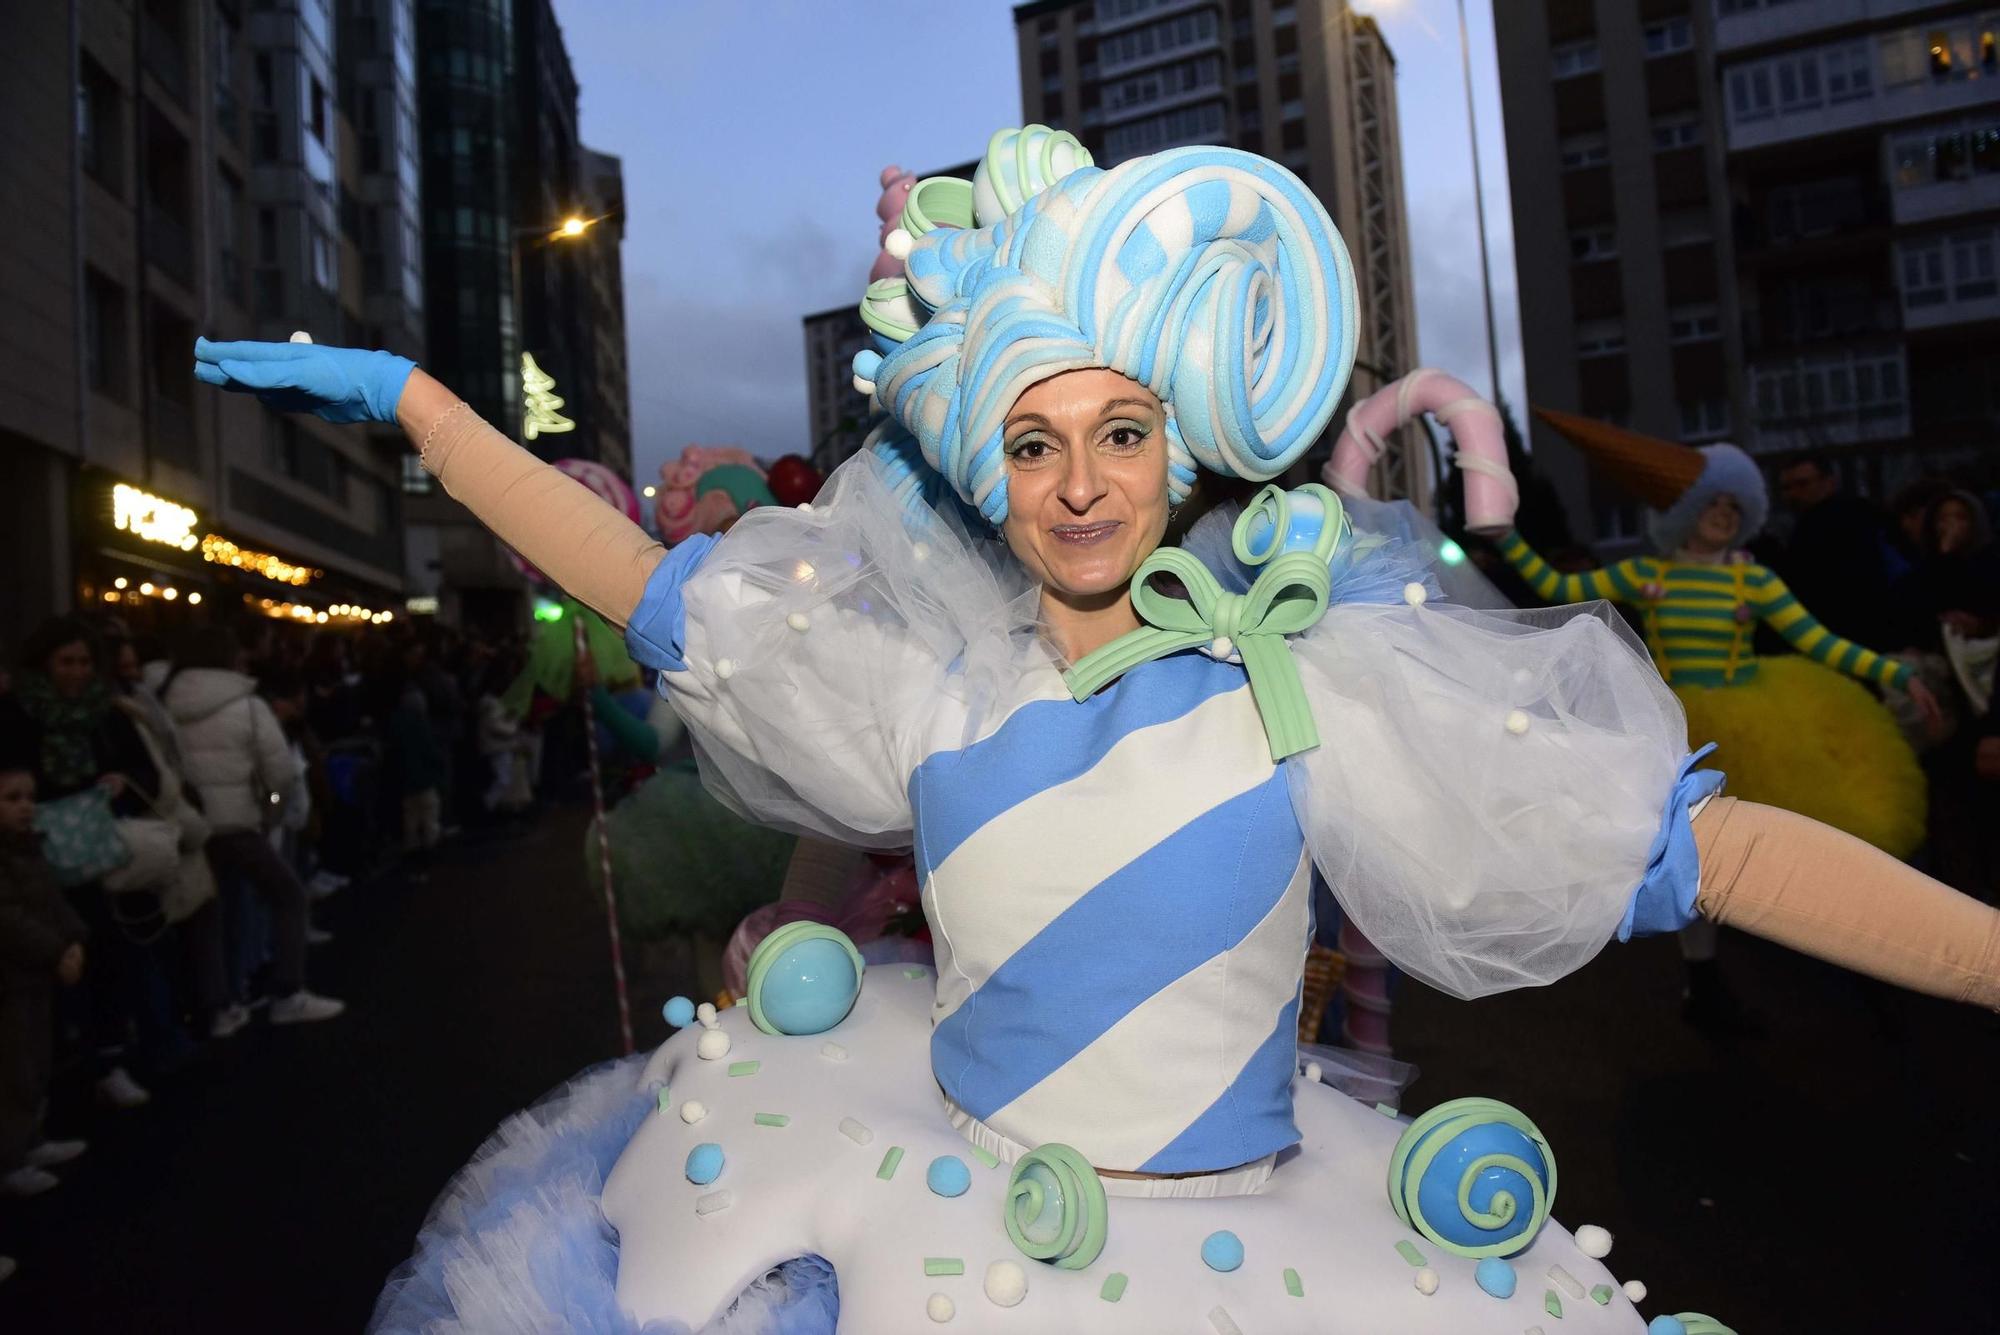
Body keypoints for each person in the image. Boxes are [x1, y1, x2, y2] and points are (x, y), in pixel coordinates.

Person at [200, 128, 1999, 1333]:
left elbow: (1708, 851)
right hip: (936, 1227)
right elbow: (641, 582)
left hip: (1258, 1252)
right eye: (1037, 443)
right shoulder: (924, 696)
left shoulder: (1314, 685)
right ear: (990, 468)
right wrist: (424, 403)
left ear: (1181, 448)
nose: (1079, 485)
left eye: (1120, 434)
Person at [0, 619, 159, 1109]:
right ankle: (46, 1095)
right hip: (28, 863)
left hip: (97, 857)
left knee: (105, 958)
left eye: (85, 662)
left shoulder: (107, 715)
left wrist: (121, 783)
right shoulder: (14, 714)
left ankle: (103, 1062)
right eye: (66, 661)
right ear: (45, 663)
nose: (76, 671)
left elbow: (145, 773)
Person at [164, 626, 343, 1026]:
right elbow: (279, 775)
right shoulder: (248, 705)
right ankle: (287, 991)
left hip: (191, 826)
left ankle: (219, 1005)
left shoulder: (166, 703)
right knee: (288, 896)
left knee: (210, 913)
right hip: (240, 823)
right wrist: (271, 812)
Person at [0, 744, 89, 1203]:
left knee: (36, 1061)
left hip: (37, 976)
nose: (25, 806)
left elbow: (52, 901)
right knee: (14, 1071)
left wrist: (73, 939)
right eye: (11, 798)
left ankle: (30, 1141)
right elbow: (10, 919)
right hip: (13, 981)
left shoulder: (29, 847)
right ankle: (9, 1159)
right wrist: (58, 949)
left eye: (29, 797)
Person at [1773, 451, 1904, 651]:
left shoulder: (1826, 525)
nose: (1793, 494)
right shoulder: (1862, 514)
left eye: (1803, 484)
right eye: (1786, 488)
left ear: (1829, 483)